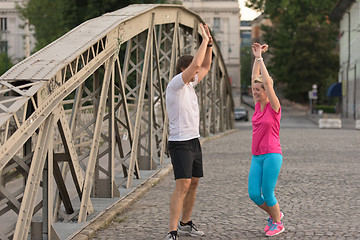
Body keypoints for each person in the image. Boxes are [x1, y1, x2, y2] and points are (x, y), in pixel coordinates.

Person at [165, 23, 212, 240]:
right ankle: (172, 231)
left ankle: (185, 223)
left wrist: (209, 44)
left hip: (193, 140)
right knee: (182, 185)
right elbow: (197, 65)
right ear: (184, 70)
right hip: (180, 142)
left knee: (194, 183)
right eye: (192, 70)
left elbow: (206, 66)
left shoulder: (190, 86)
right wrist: (201, 42)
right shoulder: (176, 85)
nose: (196, 74)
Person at [248, 42, 285, 237]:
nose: (255, 92)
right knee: (254, 193)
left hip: (272, 154)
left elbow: (267, 83)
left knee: (268, 193)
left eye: (258, 90)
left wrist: (262, 59)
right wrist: (256, 57)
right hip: (257, 155)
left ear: (266, 91)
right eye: (253, 89)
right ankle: (275, 214)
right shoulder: (257, 106)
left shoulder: (274, 107)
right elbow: (255, 78)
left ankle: (278, 223)